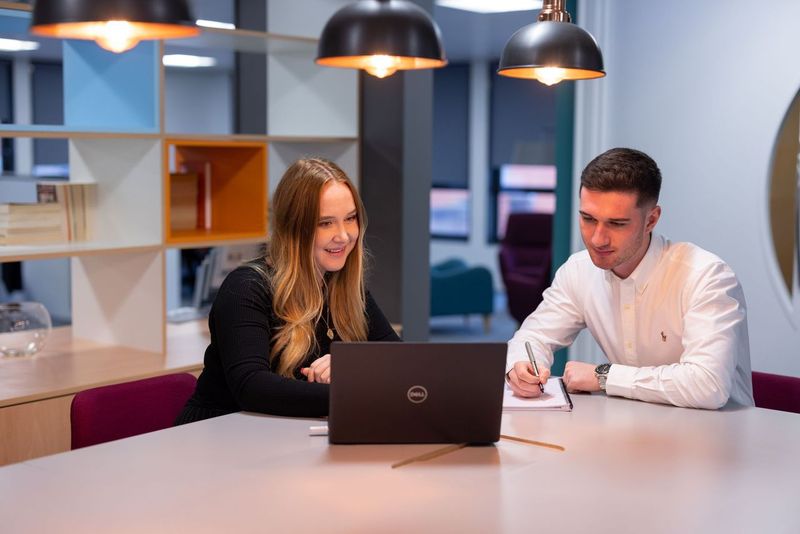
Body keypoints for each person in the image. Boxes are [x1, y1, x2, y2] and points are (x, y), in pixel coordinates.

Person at [506, 148, 753, 409]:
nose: (597, 238)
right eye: (588, 219)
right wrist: (520, 367)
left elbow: (707, 386)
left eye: (617, 224)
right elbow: (531, 337)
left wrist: (603, 376)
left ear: (651, 220)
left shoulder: (706, 277)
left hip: (718, 438)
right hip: (631, 430)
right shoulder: (578, 272)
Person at [175, 158, 400, 424]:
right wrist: (354, 393)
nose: (343, 235)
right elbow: (252, 387)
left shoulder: (344, 287)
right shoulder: (246, 288)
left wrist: (352, 366)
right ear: (293, 228)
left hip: (286, 438)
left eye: (350, 219)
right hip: (216, 437)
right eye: (325, 223)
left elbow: (399, 361)